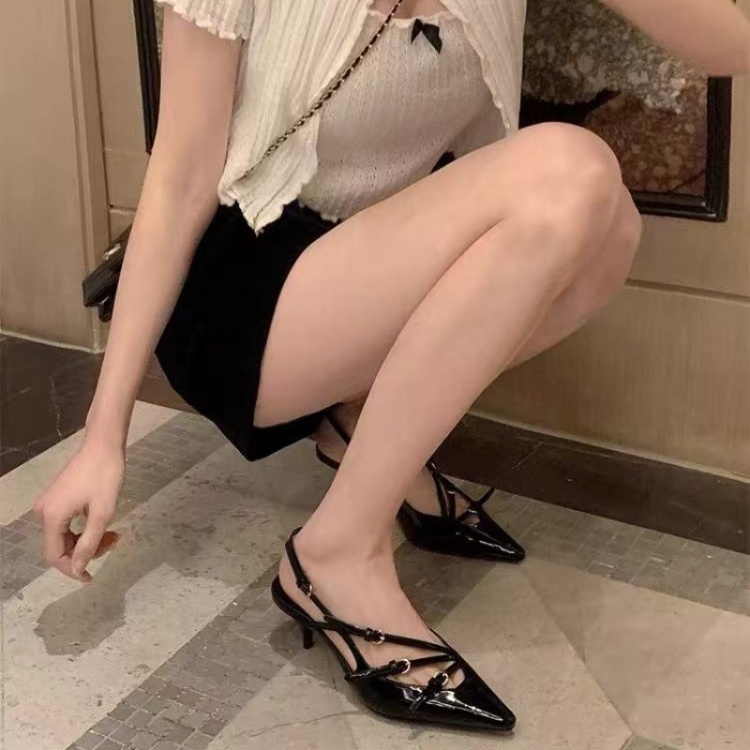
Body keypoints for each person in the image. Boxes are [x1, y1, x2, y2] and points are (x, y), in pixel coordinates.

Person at [32, 0, 749, 733]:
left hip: (362, 270)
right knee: (572, 167)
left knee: (610, 227)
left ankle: (356, 426)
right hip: (241, 294)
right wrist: (103, 435)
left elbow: (731, 47)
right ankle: (336, 554)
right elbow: (179, 179)